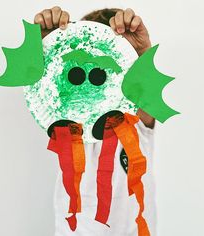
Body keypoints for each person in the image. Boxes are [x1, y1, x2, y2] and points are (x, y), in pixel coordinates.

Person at [34, 6, 156, 236]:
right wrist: (46, 48)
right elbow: (44, 91)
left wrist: (141, 57)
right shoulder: (65, 115)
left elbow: (146, 95)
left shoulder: (136, 119)